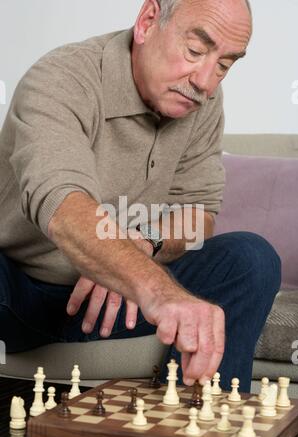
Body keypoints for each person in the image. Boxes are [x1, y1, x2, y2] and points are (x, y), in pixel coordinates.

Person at [0, 0, 281, 392]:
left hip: (120, 304)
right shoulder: (63, 77)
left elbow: (199, 214)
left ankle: (197, 425)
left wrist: (142, 244)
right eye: (196, 51)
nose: (206, 81)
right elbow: (63, 205)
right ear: (148, 21)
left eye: (224, 64)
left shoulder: (203, 102)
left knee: (252, 257)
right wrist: (153, 288)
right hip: (21, 296)